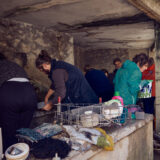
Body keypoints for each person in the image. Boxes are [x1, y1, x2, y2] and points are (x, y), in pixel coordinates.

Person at [0, 52, 37, 151]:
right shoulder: (14, 65)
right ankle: (24, 153)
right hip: (30, 93)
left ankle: (12, 155)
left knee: (9, 133)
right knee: (23, 132)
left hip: (10, 94)